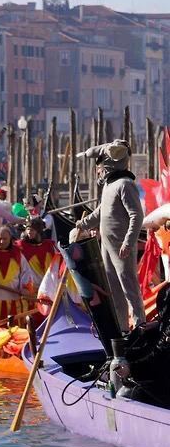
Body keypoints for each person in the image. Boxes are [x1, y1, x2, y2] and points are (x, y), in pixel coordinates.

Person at [74, 139, 145, 330]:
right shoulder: (108, 186)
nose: (97, 171)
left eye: (98, 167)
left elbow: (137, 215)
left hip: (122, 245)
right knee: (114, 289)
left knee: (129, 287)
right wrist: (84, 223)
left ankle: (140, 325)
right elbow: (101, 211)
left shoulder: (125, 184)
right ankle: (122, 327)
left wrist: (129, 242)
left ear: (106, 165)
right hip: (107, 244)